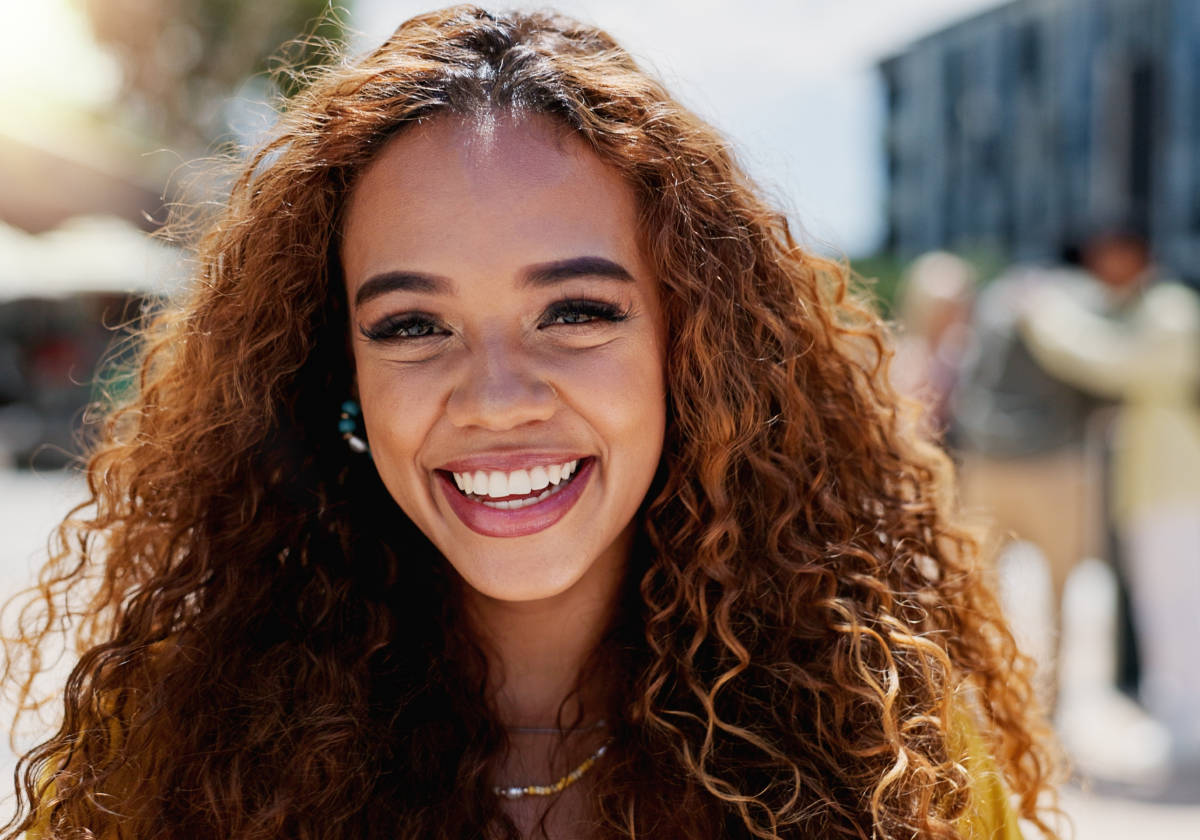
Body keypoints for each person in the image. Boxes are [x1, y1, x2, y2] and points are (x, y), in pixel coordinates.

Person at [3, 7, 1056, 839]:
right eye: (414, 325)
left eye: (578, 312)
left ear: (692, 351)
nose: (498, 395)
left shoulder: (891, 755)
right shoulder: (175, 754)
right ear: (339, 374)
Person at [1021, 231, 1200, 764]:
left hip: (1177, 489)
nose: (1099, 265)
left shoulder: (1170, 311)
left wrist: (1043, 315)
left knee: (1177, 612)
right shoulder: (1151, 308)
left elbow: (1111, 360)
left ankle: (1185, 729)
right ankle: (1177, 723)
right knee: (1161, 609)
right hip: (1158, 489)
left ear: (1139, 253)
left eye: (1109, 252)